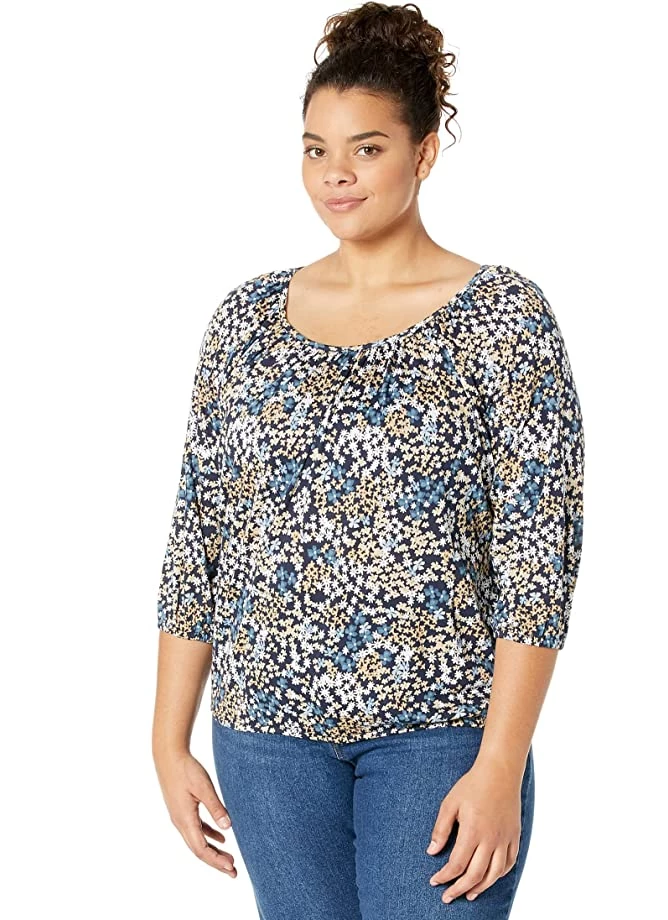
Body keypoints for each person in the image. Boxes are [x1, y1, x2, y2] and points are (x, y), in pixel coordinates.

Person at [151, 3, 585, 917]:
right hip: (265, 735)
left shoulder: (503, 317)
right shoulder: (245, 321)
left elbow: (538, 557)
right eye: (315, 149)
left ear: (424, 154)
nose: (335, 173)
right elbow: (200, 536)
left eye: (367, 148)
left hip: (442, 733)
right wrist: (167, 737)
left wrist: (501, 762)